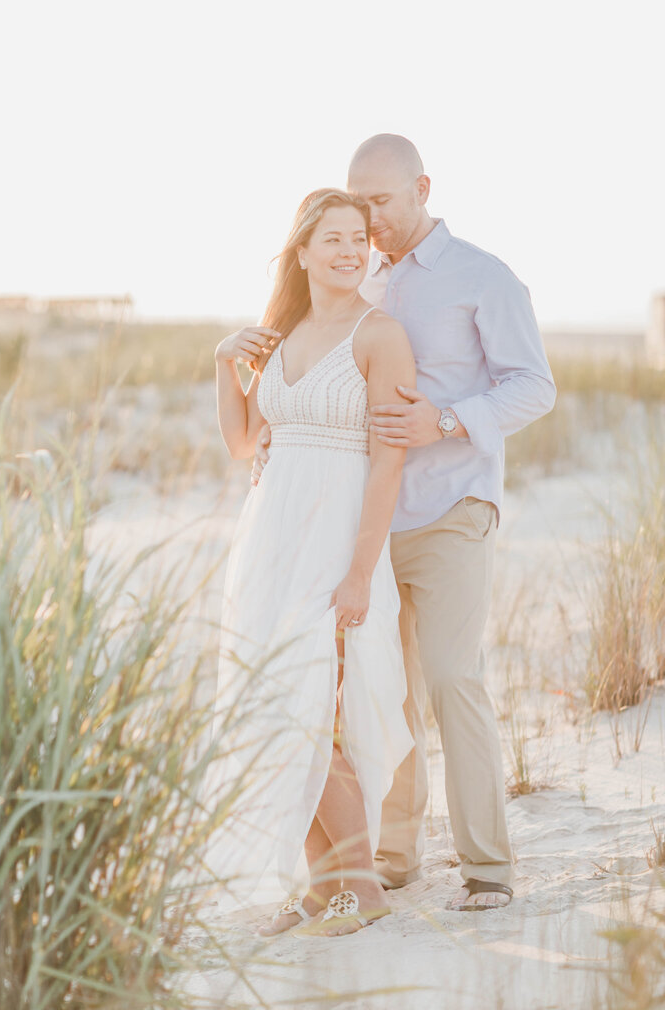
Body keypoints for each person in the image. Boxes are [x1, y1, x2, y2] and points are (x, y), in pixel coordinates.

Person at [254, 136, 557, 911]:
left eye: (381, 201)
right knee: (386, 692)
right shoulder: (366, 278)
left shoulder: (482, 277)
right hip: (369, 521)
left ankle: (487, 866)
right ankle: (394, 858)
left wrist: (449, 422)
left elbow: (536, 387)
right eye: (359, 201)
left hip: (454, 507)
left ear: (422, 186)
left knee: (454, 677)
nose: (368, 216)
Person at [207, 188, 415, 937]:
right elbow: (243, 444)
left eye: (358, 238)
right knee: (273, 709)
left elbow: (388, 465)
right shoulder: (282, 331)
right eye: (331, 238)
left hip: (336, 543)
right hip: (270, 541)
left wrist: (360, 572)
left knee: (315, 712)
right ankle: (324, 887)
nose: (348, 251)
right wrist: (223, 364)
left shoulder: (380, 334)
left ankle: (363, 887)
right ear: (301, 251)